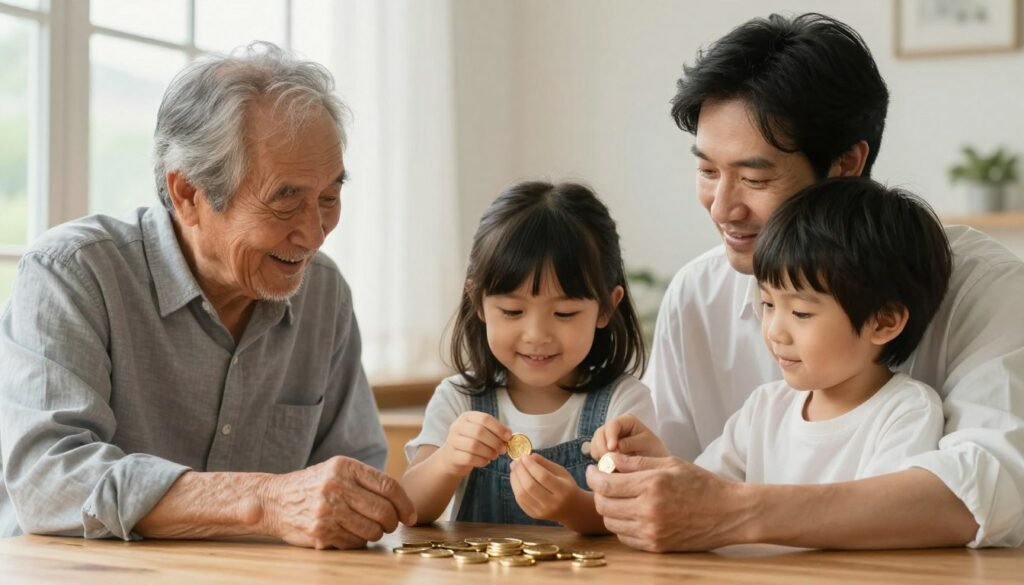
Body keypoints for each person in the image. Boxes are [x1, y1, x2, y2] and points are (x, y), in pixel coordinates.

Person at [587, 13, 1024, 551]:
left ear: (846, 163)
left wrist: (735, 512)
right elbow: (685, 486)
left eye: (754, 178)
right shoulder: (699, 293)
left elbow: (987, 490)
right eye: (706, 171)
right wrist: (642, 472)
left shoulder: (986, 287)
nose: (723, 207)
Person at [0, 43, 415, 548]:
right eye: (285, 202)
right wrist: (262, 501)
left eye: (329, 198)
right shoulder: (74, 273)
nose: (314, 233)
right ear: (188, 194)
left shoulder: (323, 294)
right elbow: (49, 482)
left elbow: (350, 483)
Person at [598, 177, 951, 488]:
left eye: (800, 312)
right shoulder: (765, 408)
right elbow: (702, 495)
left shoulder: (905, 412)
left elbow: (880, 523)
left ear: (884, 322)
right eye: (767, 304)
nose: (775, 331)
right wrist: (655, 462)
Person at [401, 181, 653, 533]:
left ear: (606, 308)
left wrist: (573, 507)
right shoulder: (459, 399)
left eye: (564, 313)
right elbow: (409, 508)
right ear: (478, 303)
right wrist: (447, 460)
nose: (536, 335)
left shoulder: (623, 404)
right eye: (512, 311)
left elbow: (639, 510)